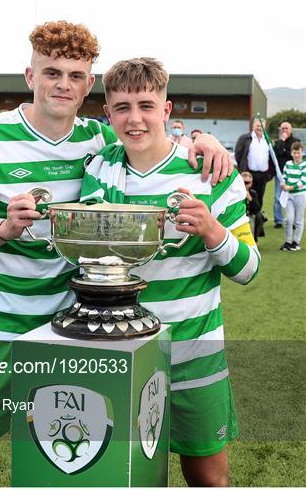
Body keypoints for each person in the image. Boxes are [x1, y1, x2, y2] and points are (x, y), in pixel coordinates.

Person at [0, 20, 234, 487]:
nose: (63, 84)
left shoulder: (98, 142)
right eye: (52, 72)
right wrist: (3, 229)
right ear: (29, 75)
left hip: (72, 330)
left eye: (75, 75)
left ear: (89, 84)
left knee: (74, 461)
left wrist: (205, 141)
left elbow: (150, 136)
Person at [79, 57, 260, 487]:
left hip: (194, 354)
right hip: (119, 353)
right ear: (108, 114)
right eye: (122, 107)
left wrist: (213, 231)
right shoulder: (97, 169)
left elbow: (249, 269)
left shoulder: (211, 174)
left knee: (208, 478)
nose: (134, 118)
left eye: (146, 105)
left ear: (166, 109)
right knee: (128, 477)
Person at [235, 118, 275, 208]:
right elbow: (238, 155)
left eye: (261, 126)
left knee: (259, 199)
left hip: (263, 175)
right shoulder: (244, 138)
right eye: (257, 125)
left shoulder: (268, 140)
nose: (259, 128)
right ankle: (246, 217)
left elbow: (272, 158)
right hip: (249, 174)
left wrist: (269, 174)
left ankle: (258, 218)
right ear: (253, 126)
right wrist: (243, 170)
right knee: (246, 197)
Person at [273, 121, 300, 228]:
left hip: (293, 174)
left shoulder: (296, 141)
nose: (284, 130)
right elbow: (276, 153)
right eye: (282, 128)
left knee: (293, 198)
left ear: (291, 130)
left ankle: (293, 221)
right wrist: (282, 142)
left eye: (286, 128)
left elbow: (293, 155)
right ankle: (278, 220)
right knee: (277, 197)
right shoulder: (278, 141)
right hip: (280, 174)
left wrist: (284, 151)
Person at [279, 141, 306, 251]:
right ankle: (288, 241)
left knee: (299, 220)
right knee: (289, 219)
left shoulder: (304, 165)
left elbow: (303, 181)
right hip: (288, 196)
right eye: (294, 153)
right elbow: (284, 177)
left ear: (302, 152)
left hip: (300, 195)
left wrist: (291, 187)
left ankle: (296, 242)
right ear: (291, 153)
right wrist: (283, 184)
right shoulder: (288, 164)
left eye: (298, 153)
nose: (296, 155)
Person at [240, 171, 263, 242]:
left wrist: (250, 199)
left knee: (259, 217)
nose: (245, 185)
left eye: (247, 183)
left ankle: (254, 239)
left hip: (249, 214)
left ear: (251, 184)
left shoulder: (253, 193)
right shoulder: (235, 193)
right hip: (238, 215)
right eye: (243, 182)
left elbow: (257, 208)